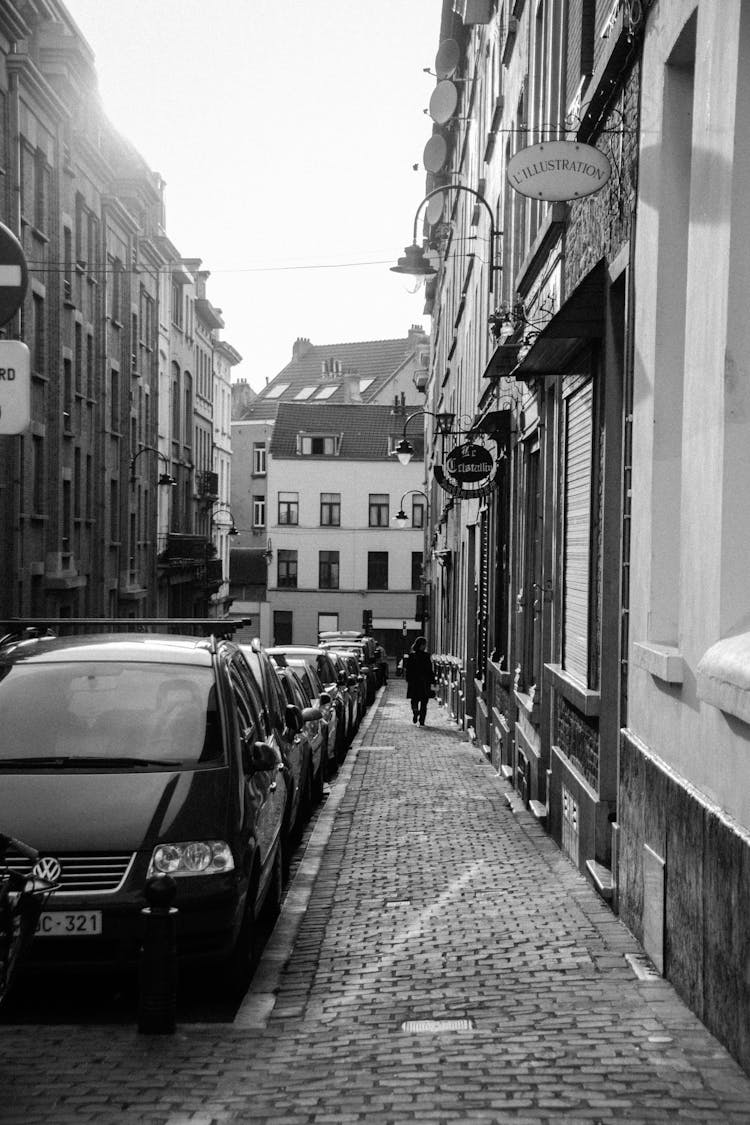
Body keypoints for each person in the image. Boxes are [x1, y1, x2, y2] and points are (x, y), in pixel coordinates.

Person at [405, 635, 434, 726]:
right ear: (421, 645)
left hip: (414, 682)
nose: (425, 646)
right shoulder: (426, 656)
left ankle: (415, 711)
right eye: (424, 645)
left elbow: (408, 669)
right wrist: (433, 681)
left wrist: (408, 679)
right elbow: (429, 670)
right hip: (424, 682)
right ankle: (422, 720)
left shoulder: (411, 656)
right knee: (424, 702)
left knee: (414, 700)